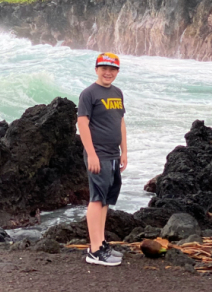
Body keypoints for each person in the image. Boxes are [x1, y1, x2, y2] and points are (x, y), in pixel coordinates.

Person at [77, 52, 128, 266]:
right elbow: (82, 124)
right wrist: (91, 154)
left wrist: (124, 151)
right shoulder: (89, 93)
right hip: (98, 154)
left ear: (117, 72)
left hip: (113, 154)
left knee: (106, 199)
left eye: (113, 69)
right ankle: (94, 250)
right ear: (96, 69)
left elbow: (121, 123)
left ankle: (102, 243)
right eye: (104, 68)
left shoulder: (117, 93)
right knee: (96, 199)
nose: (108, 72)